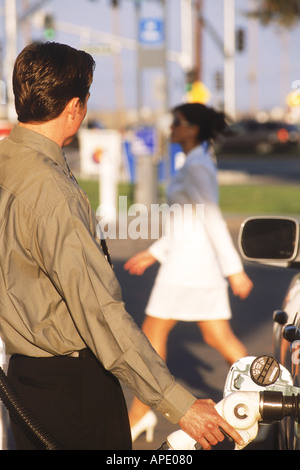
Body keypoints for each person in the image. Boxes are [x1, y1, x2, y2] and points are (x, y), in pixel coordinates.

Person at [0, 42, 244, 451]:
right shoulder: (51, 191)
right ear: (75, 106)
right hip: (72, 390)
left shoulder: (9, 165)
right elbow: (99, 312)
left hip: (23, 379)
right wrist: (181, 405)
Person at [124, 103, 253, 442]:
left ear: (193, 129)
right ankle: (262, 397)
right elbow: (186, 223)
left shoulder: (198, 168)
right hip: (187, 266)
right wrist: (154, 252)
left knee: (152, 337)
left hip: (188, 271)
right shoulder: (194, 163)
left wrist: (234, 270)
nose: (172, 128)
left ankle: (139, 414)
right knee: (216, 338)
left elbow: (209, 219)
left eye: (177, 122)